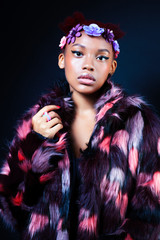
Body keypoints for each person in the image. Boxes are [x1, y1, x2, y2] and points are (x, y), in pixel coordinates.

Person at [0, 12, 160, 240]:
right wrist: (35, 141)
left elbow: (152, 213)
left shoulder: (139, 122)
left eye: (101, 58)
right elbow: (12, 209)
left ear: (112, 66)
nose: (89, 65)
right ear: (62, 59)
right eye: (78, 53)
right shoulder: (40, 120)